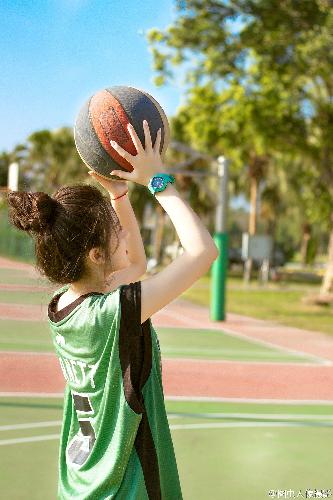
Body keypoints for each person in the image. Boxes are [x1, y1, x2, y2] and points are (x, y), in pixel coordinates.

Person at [6, 120, 219, 499]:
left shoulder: (65, 307)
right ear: (96, 255)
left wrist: (120, 197)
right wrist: (158, 181)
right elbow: (203, 252)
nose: (123, 230)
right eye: (115, 229)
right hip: (126, 487)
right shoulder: (113, 313)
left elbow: (135, 265)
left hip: (81, 484)